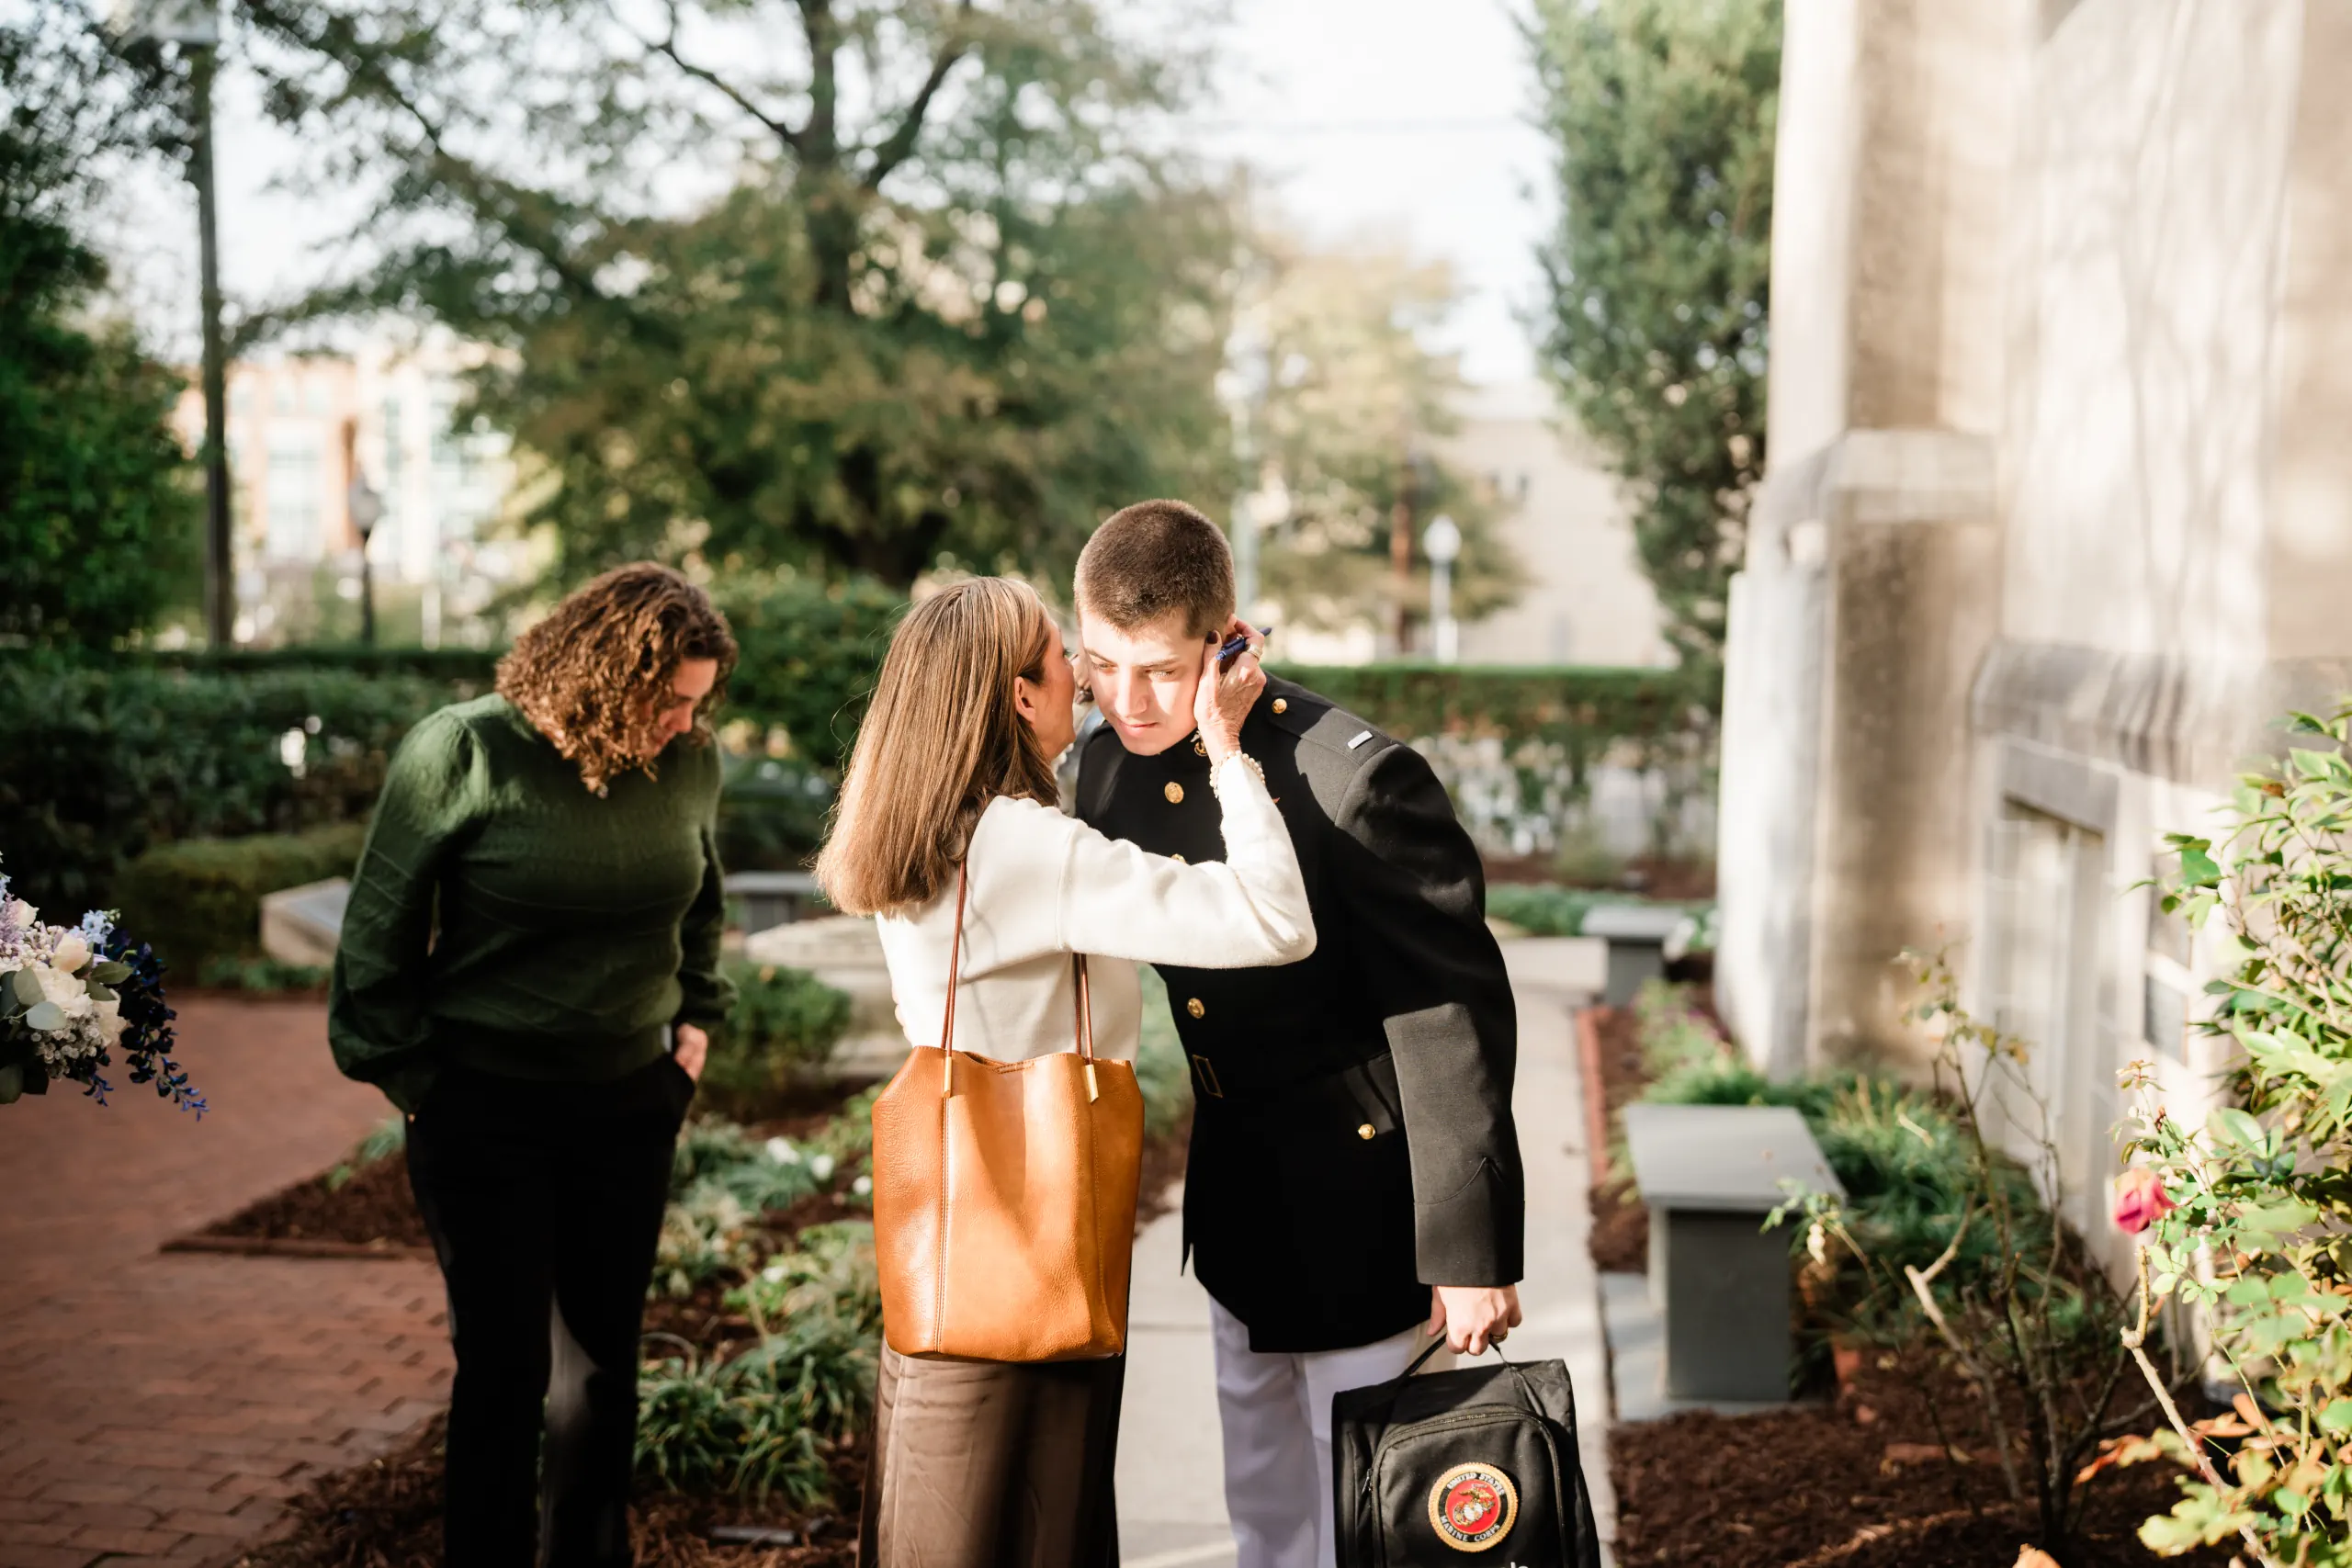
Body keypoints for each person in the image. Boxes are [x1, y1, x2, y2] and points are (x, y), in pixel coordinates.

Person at [815, 576, 1314, 1568]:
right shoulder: (1023, 846)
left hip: (954, 1242)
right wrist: (1222, 744)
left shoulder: (923, 820)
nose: (1086, 680)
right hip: (1032, 1244)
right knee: (1022, 1521)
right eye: (1064, 658)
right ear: (1015, 695)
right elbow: (1275, 921)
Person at [1071, 501, 1526, 1568]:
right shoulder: (1107, 766)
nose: (1128, 702)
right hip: (1236, 1198)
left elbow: (1451, 1011)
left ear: (1228, 639)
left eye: (1158, 671)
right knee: (1266, 1509)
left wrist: (1468, 1248)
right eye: (1101, 666)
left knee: (1378, 1519)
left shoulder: (1349, 778)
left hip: (1366, 1205)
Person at [328, 563, 739, 1568]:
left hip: (628, 1105)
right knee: (504, 1371)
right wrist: (420, 1084)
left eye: (698, 704)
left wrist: (694, 1027)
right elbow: (375, 940)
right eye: (669, 701)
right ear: (604, 676)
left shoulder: (687, 764)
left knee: (599, 1376)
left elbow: (702, 905)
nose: (685, 724)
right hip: (484, 1109)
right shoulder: (466, 749)